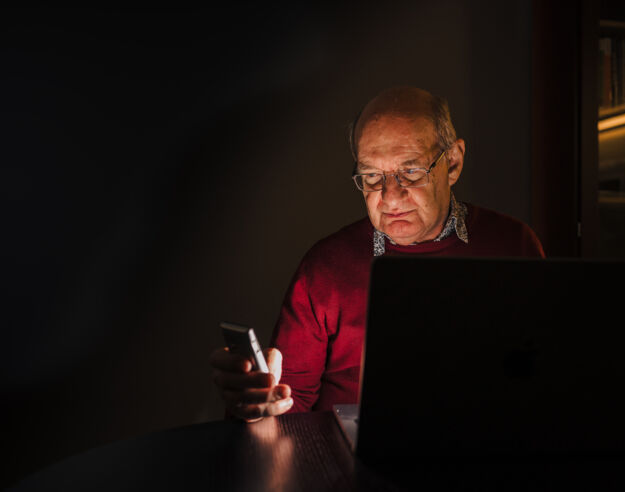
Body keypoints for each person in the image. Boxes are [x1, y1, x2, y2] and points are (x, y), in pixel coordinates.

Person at [209, 86, 545, 421]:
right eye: (371, 176)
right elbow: (285, 411)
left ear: (453, 163)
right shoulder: (325, 269)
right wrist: (257, 410)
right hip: (351, 467)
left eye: (410, 172)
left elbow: (542, 381)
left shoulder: (513, 244)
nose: (391, 198)